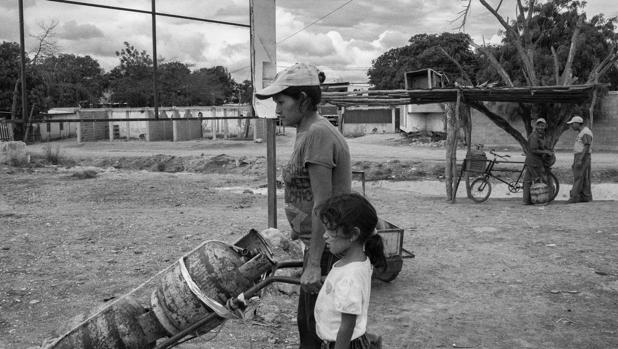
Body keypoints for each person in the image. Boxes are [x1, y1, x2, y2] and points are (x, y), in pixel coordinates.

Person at [255, 62, 352, 348]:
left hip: (328, 247)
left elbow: (325, 204)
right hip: (319, 244)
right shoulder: (307, 131)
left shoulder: (317, 135)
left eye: (282, 102)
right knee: (313, 325)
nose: (277, 110)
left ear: (305, 101)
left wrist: (313, 265)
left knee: (314, 329)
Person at [314, 193, 385, 349]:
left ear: (353, 234)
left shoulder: (350, 277)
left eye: (330, 231)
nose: (324, 236)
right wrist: (330, 283)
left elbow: (347, 325)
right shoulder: (357, 262)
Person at [522, 118, 554, 205]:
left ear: (545, 126)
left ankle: (527, 200)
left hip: (532, 161)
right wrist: (545, 152)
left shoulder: (541, 135)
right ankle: (541, 199)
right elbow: (533, 150)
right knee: (541, 179)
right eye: (539, 125)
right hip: (534, 162)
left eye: (542, 125)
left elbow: (541, 146)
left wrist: (547, 149)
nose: (540, 127)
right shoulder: (534, 136)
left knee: (527, 180)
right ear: (536, 126)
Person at [566, 115, 593, 203]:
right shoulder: (582, 132)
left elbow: (586, 146)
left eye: (572, 124)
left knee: (578, 177)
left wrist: (580, 159)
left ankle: (574, 197)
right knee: (583, 177)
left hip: (582, 156)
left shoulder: (585, 132)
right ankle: (585, 197)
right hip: (581, 156)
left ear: (577, 123)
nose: (572, 126)